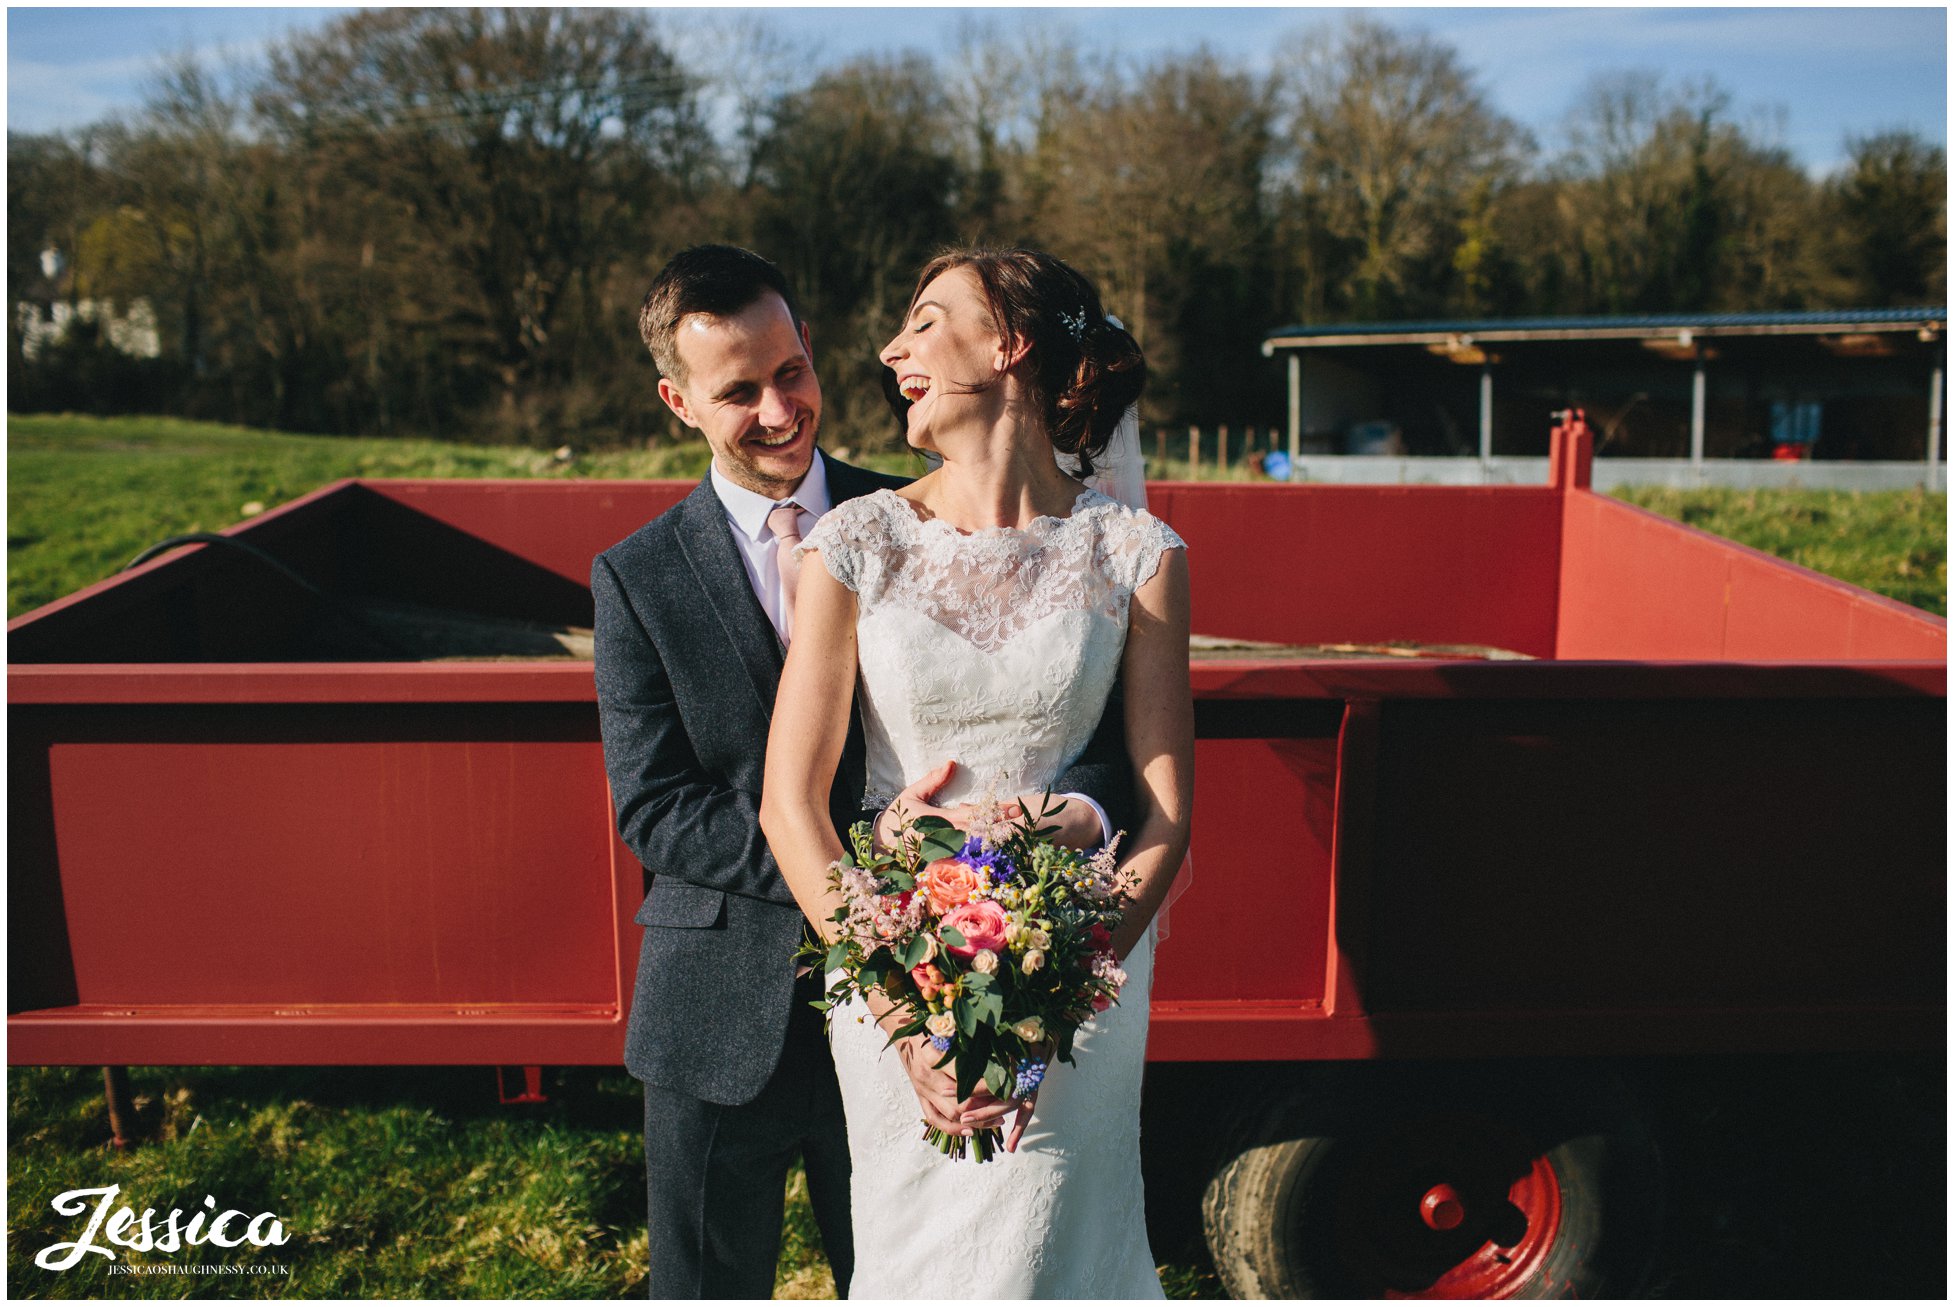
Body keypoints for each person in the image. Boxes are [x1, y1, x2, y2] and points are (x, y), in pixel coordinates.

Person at [591, 244, 1136, 1298]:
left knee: (902, 1271)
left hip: (936, 993)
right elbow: (654, 804)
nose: (778, 409)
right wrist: (858, 867)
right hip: (721, 1003)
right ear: (677, 401)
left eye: (790, 371)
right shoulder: (639, 574)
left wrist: (1039, 827)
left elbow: (1066, 716)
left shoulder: (921, 519)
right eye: (737, 392)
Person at [759, 247, 1195, 1298]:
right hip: (896, 979)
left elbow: (1165, 818)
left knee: (1047, 1262)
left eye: (921, 322)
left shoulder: (1137, 554)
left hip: (1077, 990)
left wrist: (1057, 1000)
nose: (888, 350)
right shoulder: (852, 545)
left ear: (1009, 345)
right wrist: (906, 1013)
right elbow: (790, 803)